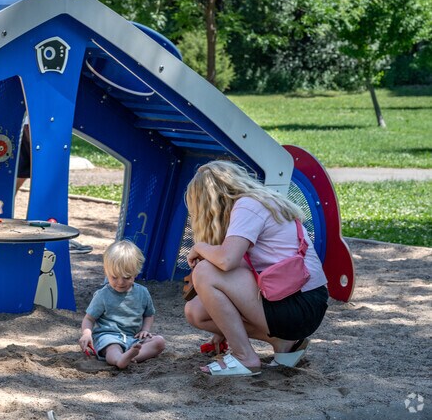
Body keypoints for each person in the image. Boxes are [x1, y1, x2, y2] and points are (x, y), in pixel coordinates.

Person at [183, 160, 328, 377]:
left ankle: (245, 357)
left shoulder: (248, 206)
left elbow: (227, 261)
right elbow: (238, 269)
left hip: (299, 305)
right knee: (196, 311)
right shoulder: (261, 202)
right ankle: (283, 342)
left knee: (204, 271)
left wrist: (200, 247)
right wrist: (225, 328)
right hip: (303, 301)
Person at [78, 240, 166, 369]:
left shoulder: (142, 293)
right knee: (112, 348)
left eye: (126, 277)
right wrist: (86, 334)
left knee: (159, 342)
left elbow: (149, 315)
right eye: (114, 277)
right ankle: (120, 359)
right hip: (108, 337)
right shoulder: (103, 295)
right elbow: (89, 318)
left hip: (133, 338)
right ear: (106, 272)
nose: (120, 282)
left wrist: (145, 330)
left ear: (135, 273)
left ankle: (131, 356)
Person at [15, 117, 92, 254]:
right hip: (36, 123)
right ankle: (43, 233)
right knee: (38, 177)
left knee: (40, 178)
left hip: (37, 123)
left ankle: (44, 232)